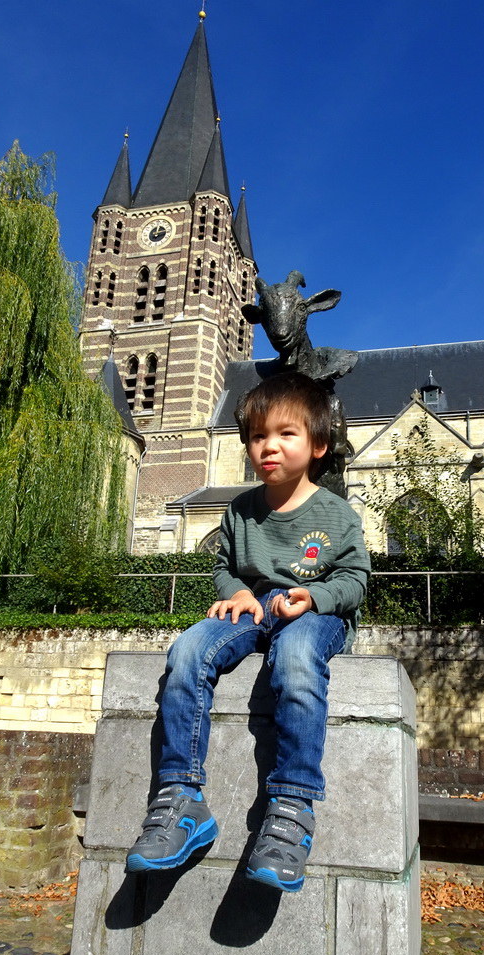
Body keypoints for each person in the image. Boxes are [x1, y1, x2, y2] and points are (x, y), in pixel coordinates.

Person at [126, 372, 370, 892]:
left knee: (297, 660)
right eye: (258, 436)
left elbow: (354, 580)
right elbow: (225, 567)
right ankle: (181, 797)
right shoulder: (239, 510)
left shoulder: (337, 514)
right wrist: (236, 592)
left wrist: (316, 599)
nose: (269, 446)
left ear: (318, 445)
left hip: (314, 612)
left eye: (286, 434)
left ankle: (291, 807)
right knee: (189, 649)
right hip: (256, 607)